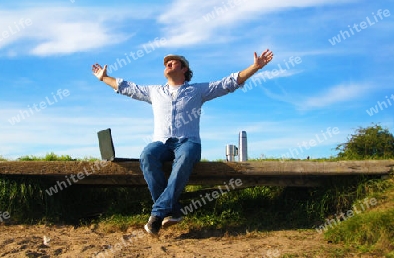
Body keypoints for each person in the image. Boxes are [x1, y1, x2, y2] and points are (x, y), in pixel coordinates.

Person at [92, 49, 273, 236]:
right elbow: (126, 87)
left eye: (173, 61)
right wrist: (104, 78)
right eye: (166, 63)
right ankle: (172, 210)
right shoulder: (154, 92)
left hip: (188, 142)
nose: (168, 64)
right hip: (161, 143)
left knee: (185, 156)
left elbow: (227, 83)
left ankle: (157, 215)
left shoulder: (197, 91)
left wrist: (255, 67)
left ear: (184, 69)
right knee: (147, 154)